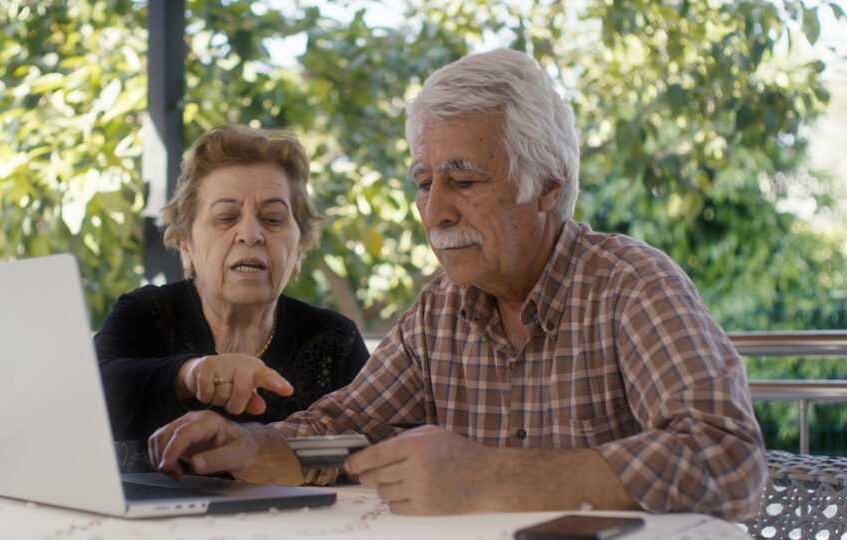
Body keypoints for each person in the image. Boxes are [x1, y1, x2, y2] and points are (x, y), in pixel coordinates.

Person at [146, 50, 766, 520]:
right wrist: (248, 446)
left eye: (463, 180)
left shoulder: (632, 285)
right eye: (423, 181)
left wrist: (494, 478)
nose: (434, 210)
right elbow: (345, 437)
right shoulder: (439, 311)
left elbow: (729, 462)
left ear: (548, 185)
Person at [95, 124, 370, 448]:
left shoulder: (335, 342)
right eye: (226, 217)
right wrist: (188, 375)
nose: (250, 234)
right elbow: (87, 397)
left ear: (299, 250)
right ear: (186, 245)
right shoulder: (145, 314)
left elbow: (376, 444)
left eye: (272, 219)